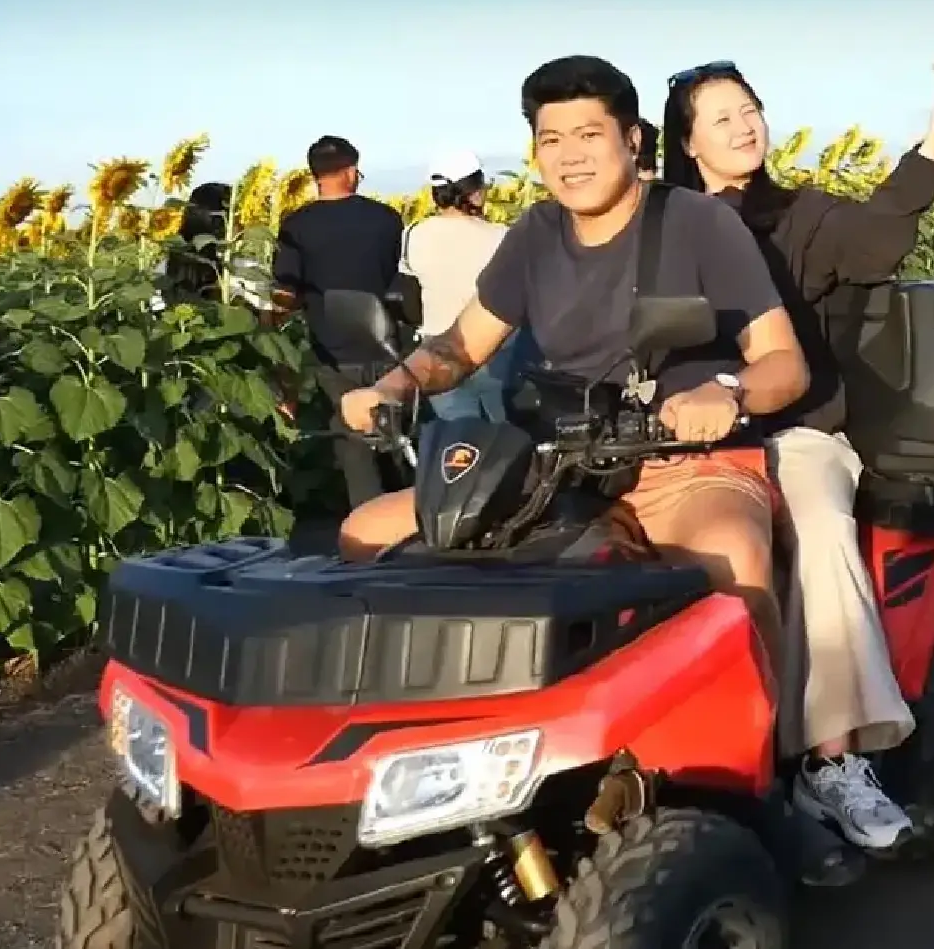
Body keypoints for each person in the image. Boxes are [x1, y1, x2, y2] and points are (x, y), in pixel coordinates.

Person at [336, 53, 809, 693]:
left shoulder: (700, 222)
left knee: (734, 559)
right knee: (365, 533)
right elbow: (461, 346)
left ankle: (774, 737)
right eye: (551, 140)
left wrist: (725, 392)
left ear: (632, 140)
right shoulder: (535, 232)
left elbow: (783, 363)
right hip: (558, 468)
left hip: (685, 467)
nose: (569, 157)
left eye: (589, 134)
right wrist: (391, 386)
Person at [660, 53, 934, 851]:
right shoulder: (658, 228)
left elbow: (879, 239)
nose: (745, 126)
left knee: (819, 525)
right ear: (687, 143)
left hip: (790, 432)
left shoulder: (802, 216)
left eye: (750, 109)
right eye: (722, 117)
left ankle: (831, 761)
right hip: (671, 439)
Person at [271, 135, 407, 508]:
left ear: (315, 175)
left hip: (331, 352)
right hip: (387, 345)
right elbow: (402, 278)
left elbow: (285, 292)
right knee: (395, 436)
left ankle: (367, 520)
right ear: (350, 172)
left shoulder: (296, 225)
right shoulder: (386, 218)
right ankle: (406, 517)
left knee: (353, 442)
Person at [401, 150, 521, 422]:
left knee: (455, 437)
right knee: (503, 435)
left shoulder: (413, 234)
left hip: (438, 350)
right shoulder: (502, 237)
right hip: (497, 351)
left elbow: (410, 293)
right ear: (474, 193)